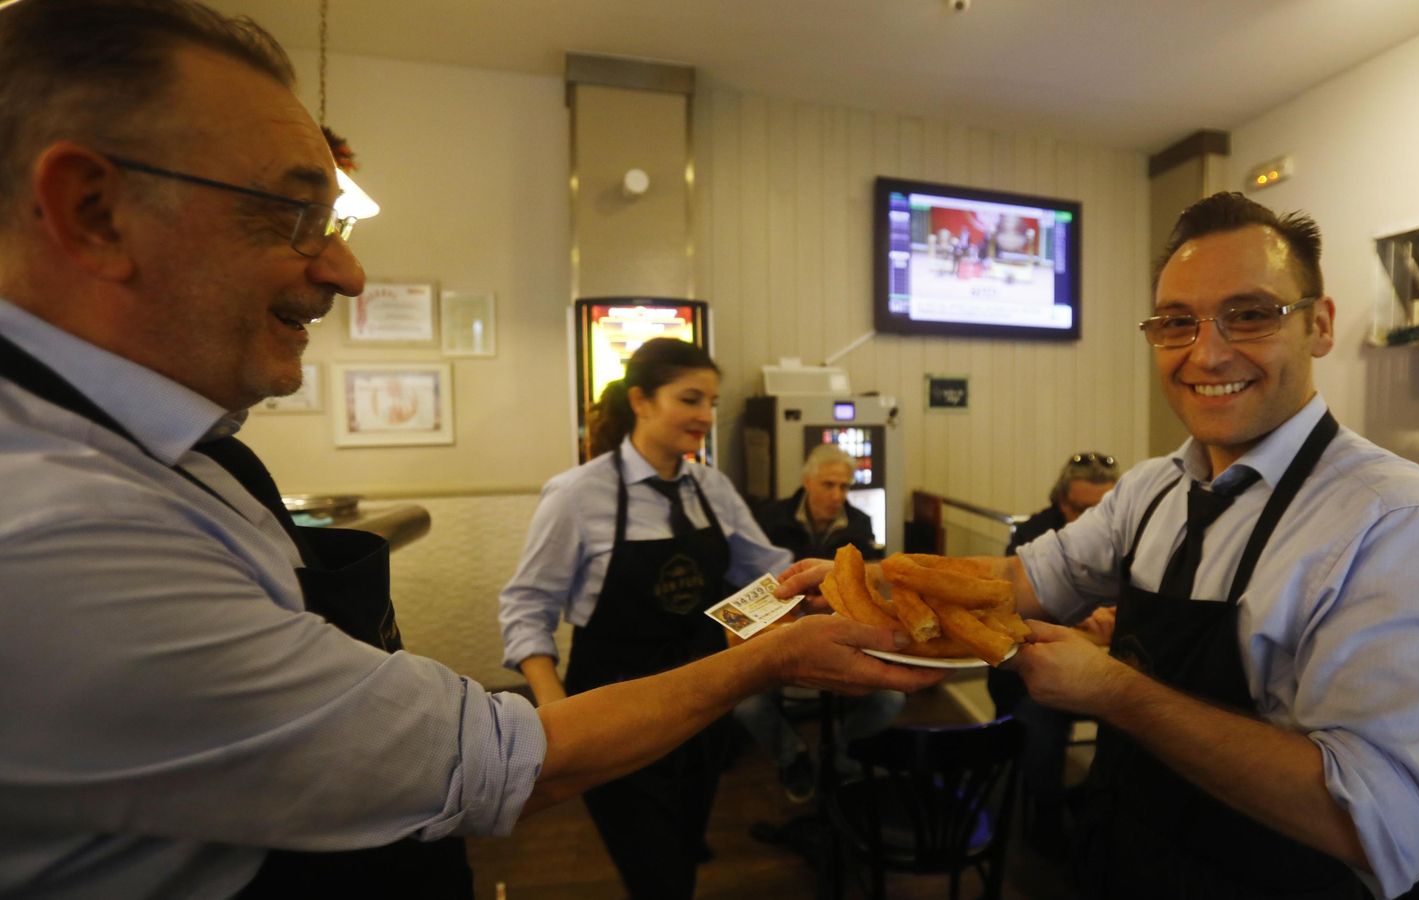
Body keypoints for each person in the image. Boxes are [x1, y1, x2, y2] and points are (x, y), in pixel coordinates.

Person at [0, 3, 943, 897]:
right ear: (92, 210)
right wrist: (743, 666)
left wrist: (816, 586)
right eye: (291, 215)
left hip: (667, 717)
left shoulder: (185, 455)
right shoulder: (55, 532)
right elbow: (494, 740)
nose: (346, 271)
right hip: (592, 714)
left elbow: (759, 573)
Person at [779, 192, 1419, 899]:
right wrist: (868, 579)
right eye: (1175, 322)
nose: (1207, 353)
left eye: (1250, 315)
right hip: (1122, 856)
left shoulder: (1401, 528)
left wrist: (1117, 693)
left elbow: (1384, 822)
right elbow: (1026, 576)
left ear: (1318, 325)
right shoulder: (1154, 488)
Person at [499, 337, 840, 899]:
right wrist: (555, 715)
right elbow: (526, 606)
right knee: (652, 866)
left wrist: (841, 585)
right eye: (690, 399)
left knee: (684, 835)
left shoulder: (711, 488)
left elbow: (770, 571)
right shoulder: (577, 495)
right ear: (641, 400)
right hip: (612, 702)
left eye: (712, 401)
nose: (706, 416)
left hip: (702, 694)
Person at [744, 444, 905, 801]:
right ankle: (792, 755)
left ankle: (843, 756)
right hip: (779, 630)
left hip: (839, 629)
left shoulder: (859, 524)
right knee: (746, 704)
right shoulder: (770, 517)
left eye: (845, 487)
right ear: (807, 482)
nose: (838, 495)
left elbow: (869, 590)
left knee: (891, 700)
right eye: (829, 485)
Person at [987, 450, 1122, 856]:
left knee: (1140, 718)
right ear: (1060, 500)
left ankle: (1097, 805)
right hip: (1030, 671)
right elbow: (1010, 607)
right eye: (1080, 508)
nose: (1089, 518)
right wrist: (1081, 611)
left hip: (1102, 667)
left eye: (1102, 508)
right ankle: (1046, 819)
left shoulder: (1126, 534)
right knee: (1041, 717)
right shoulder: (1034, 534)